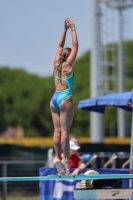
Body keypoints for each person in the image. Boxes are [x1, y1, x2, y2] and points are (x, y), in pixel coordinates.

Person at [50, 18, 78, 175]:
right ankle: (66, 161)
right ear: (69, 57)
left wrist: (64, 30)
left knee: (57, 130)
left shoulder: (56, 64)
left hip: (54, 98)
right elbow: (75, 46)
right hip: (65, 97)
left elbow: (60, 46)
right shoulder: (68, 65)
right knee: (66, 131)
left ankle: (58, 158)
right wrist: (73, 28)